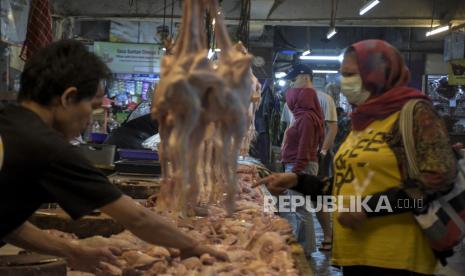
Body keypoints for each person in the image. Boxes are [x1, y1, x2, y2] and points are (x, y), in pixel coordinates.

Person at [0, 40, 227, 274]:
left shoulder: (10, 122)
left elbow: (7, 223)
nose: (91, 119)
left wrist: (71, 250)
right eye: (93, 106)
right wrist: (193, 246)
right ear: (68, 98)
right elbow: (137, 218)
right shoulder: (47, 147)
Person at [264, 39, 456, 276]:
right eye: (343, 74)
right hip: (355, 256)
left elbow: (437, 179)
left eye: (352, 74)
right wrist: (297, 180)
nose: (346, 81)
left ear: (379, 73)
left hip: (396, 258)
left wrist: (367, 209)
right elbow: (346, 186)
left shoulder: (413, 114)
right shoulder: (363, 121)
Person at [281, 64, 336, 251]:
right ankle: (305, 243)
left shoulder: (306, 116)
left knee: (303, 207)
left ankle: (306, 247)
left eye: (294, 81)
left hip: (302, 163)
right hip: (303, 161)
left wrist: (295, 171)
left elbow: (305, 146)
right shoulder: (304, 113)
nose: (291, 89)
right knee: (301, 206)